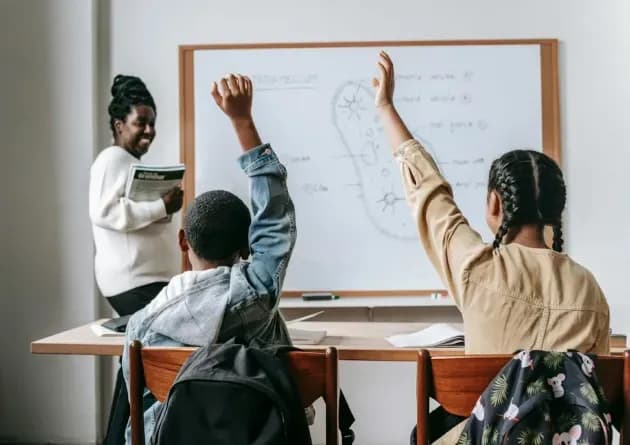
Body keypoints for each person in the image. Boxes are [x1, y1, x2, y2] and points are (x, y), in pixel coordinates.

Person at [371, 51, 610, 443]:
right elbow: (596, 389)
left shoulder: (475, 270)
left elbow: (429, 194)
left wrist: (385, 108)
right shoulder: (590, 290)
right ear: (556, 211)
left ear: (495, 204)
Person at [122, 73, 296, 444]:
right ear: (246, 249)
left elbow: (133, 413)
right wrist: (242, 121)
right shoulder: (255, 298)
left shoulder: (141, 327)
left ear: (183, 241)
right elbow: (275, 220)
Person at [89, 75, 183, 444]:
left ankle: (121, 437)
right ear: (118, 125)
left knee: (138, 363)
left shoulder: (126, 161)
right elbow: (105, 213)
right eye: (141, 122)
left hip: (147, 280)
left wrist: (164, 208)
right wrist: (161, 205)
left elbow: (132, 216)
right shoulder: (112, 159)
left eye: (152, 122)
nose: (149, 130)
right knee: (144, 365)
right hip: (134, 282)